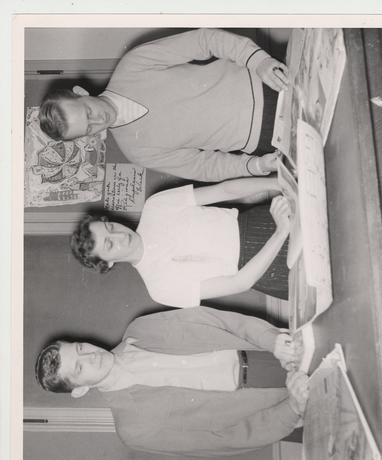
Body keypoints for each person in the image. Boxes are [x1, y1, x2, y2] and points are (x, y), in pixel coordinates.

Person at [35, 306, 310, 457]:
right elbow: (225, 441)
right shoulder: (134, 430)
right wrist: (292, 410)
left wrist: (271, 339)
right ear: (80, 390)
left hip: (273, 350)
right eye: (80, 368)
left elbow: (220, 320)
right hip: (277, 407)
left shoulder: (141, 327)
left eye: (80, 348)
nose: (91, 355)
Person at [39, 28, 289, 182]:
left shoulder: (133, 64)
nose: (98, 120)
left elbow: (204, 40)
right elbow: (204, 167)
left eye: (88, 112)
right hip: (265, 139)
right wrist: (254, 166)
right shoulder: (136, 151)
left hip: (267, 81)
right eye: (88, 127)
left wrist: (258, 61)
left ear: (81, 92)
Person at [71, 177, 292, 308]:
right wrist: (281, 233)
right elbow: (239, 283)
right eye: (110, 245)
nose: (120, 236)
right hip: (264, 268)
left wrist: (279, 181)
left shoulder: (155, 206)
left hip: (262, 220)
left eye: (110, 227)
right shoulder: (159, 289)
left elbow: (225, 190)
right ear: (107, 264)